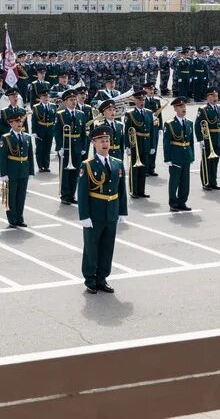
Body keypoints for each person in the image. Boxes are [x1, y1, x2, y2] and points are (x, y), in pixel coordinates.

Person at [77, 125, 127, 294]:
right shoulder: (88, 165)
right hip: (95, 212)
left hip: (111, 211)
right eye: (101, 141)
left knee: (107, 247)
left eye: (107, 140)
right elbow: (82, 193)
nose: (105, 143)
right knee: (92, 246)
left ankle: (102, 278)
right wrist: (84, 215)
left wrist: (122, 211)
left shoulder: (117, 163)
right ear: (94, 143)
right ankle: (90, 279)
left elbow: (121, 190)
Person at [0, 108, 34, 228]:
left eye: (20, 121)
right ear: (11, 123)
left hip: (23, 169)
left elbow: (30, 156)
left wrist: (31, 172)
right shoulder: (6, 137)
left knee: (21, 195)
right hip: (11, 170)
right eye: (16, 122)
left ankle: (20, 217)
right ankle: (12, 218)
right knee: (11, 195)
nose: (19, 123)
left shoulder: (27, 137)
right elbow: (3, 158)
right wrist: (3, 173)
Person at [54, 89, 88, 205]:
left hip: (77, 147)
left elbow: (83, 133)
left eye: (75, 99)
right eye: (71, 100)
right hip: (66, 146)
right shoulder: (60, 114)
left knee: (75, 172)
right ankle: (65, 195)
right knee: (65, 172)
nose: (74, 102)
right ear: (65, 101)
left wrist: (84, 147)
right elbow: (57, 132)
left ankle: (72, 194)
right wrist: (59, 147)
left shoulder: (81, 114)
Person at [162, 97, 195, 212]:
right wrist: (167, 158)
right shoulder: (169, 124)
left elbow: (191, 141)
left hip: (186, 155)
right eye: (180, 107)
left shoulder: (189, 123)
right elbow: (166, 142)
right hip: (175, 155)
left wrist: (192, 155)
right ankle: (173, 203)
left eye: (184, 106)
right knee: (174, 181)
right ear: (175, 109)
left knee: (185, 181)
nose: (183, 108)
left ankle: (182, 202)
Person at [122, 91, 153, 198]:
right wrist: (127, 146)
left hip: (146, 143)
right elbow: (127, 131)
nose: (142, 102)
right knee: (134, 168)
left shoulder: (149, 113)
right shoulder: (130, 114)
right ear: (135, 101)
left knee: (143, 168)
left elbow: (152, 131)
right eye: (139, 100)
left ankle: (141, 191)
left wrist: (152, 145)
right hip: (135, 143)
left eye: (143, 100)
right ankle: (133, 191)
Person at [195, 87, 220, 191]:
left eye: (216, 96)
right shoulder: (203, 109)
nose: (215, 98)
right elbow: (198, 125)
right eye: (212, 96)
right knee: (207, 161)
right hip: (208, 138)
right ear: (208, 98)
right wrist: (200, 139)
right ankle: (206, 182)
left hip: (218, 139)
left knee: (215, 162)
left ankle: (213, 182)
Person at [31, 88, 56, 172]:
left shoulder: (53, 106)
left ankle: (46, 165)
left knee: (47, 148)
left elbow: (54, 119)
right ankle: (40, 166)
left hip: (50, 129)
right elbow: (34, 120)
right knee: (40, 148)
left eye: (47, 96)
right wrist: (34, 131)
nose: (46, 98)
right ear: (40, 98)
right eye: (44, 96)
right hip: (40, 129)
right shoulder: (36, 107)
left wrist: (54, 130)